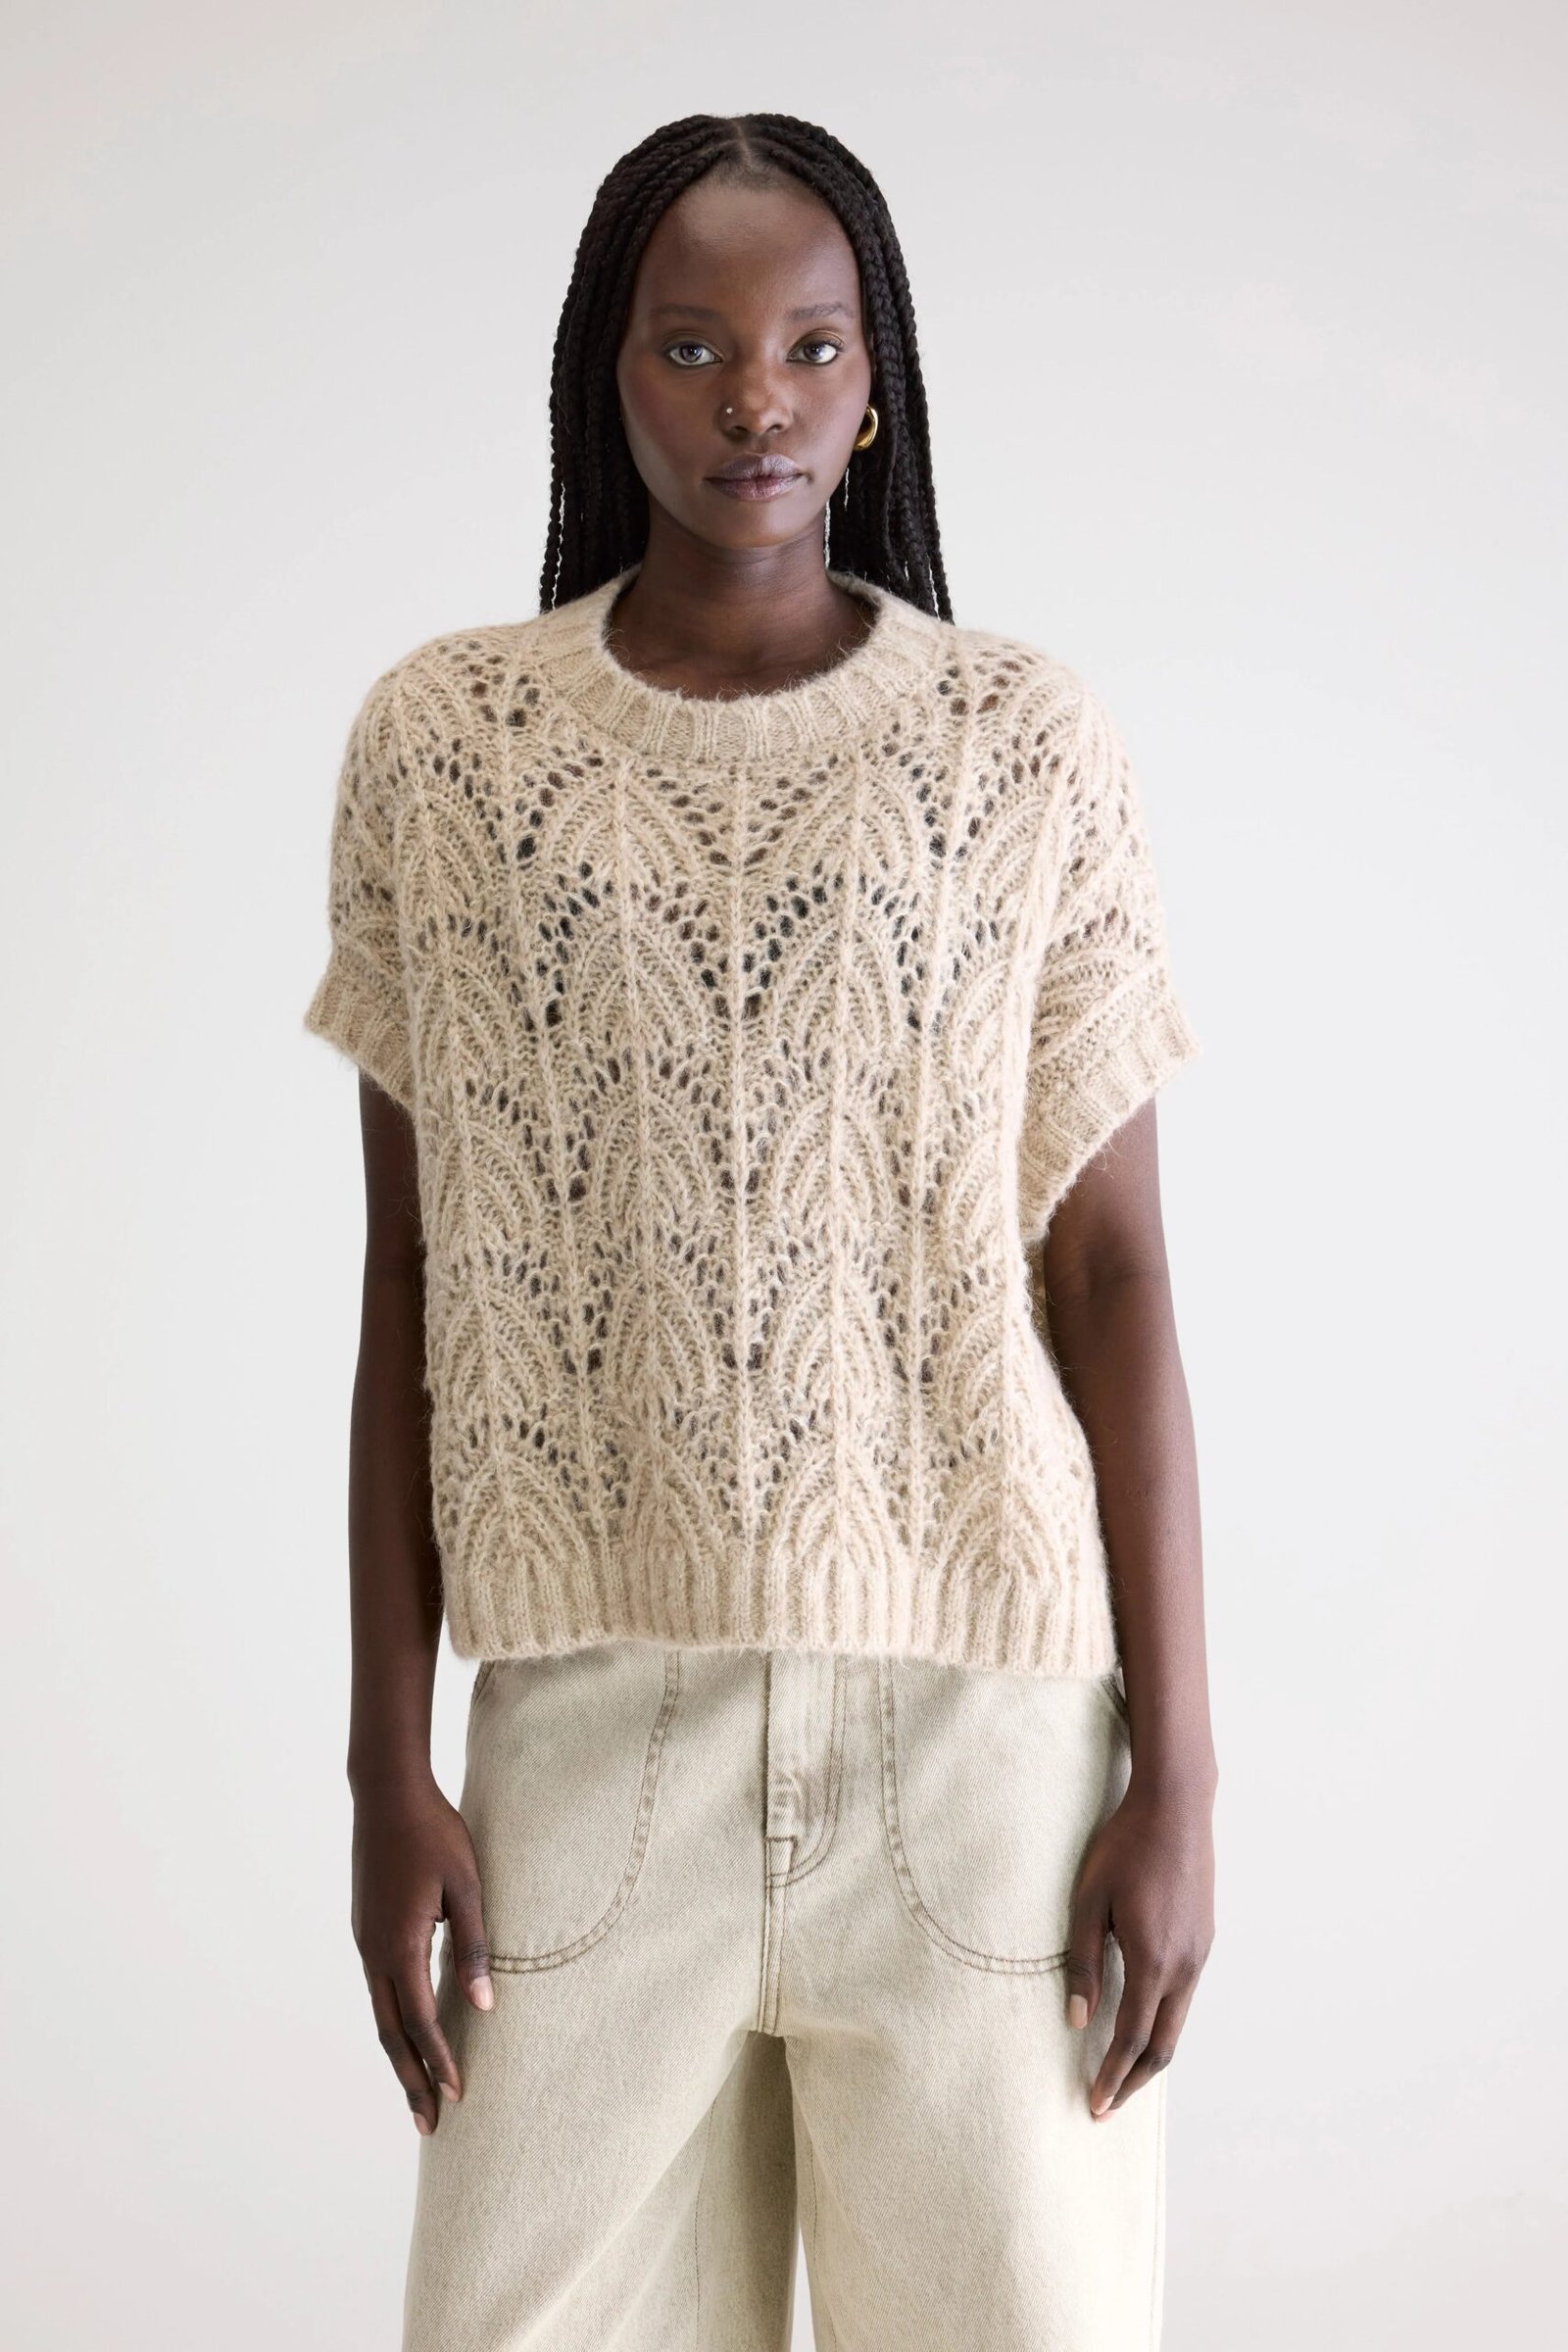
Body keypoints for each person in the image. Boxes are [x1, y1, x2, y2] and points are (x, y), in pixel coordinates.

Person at [304, 110, 1217, 2352]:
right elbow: (413, 1282)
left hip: (981, 1750)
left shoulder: (1017, 748)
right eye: (692, 344)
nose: (754, 399)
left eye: (810, 345)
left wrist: (1181, 1775)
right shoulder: (448, 747)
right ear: (604, 372)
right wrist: (381, 1765)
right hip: (586, 1749)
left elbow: (1111, 1278)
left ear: (875, 380)